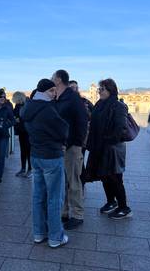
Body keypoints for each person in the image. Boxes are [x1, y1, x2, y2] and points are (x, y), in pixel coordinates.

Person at [22, 79, 69, 248]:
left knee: (38, 197)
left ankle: (38, 233)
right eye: (52, 91)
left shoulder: (28, 108)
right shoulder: (48, 109)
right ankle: (56, 237)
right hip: (51, 156)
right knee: (55, 198)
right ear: (46, 91)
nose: (55, 94)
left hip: (35, 156)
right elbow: (63, 130)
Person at [83, 78, 133, 220]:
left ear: (110, 90)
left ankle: (124, 207)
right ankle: (111, 202)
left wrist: (107, 140)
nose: (99, 91)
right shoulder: (99, 104)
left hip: (113, 148)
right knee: (104, 175)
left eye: (102, 89)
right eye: (99, 89)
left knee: (115, 177)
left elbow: (119, 128)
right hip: (99, 146)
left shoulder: (119, 106)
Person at [52, 70, 88, 230]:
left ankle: (78, 215)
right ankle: (64, 212)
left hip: (71, 147)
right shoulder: (57, 97)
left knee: (74, 181)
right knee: (63, 181)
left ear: (59, 79)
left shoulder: (73, 98)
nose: (51, 80)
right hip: (60, 146)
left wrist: (75, 143)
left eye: (53, 78)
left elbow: (82, 121)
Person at [12, 91, 32, 177]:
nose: (15, 102)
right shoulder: (18, 105)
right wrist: (16, 119)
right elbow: (15, 114)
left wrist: (19, 118)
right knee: (22, 150)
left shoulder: (28, 104)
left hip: (28, 131)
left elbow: (27, 117)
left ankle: (30, 170)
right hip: (21, 131)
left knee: (29, 151)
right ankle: (23, 168)